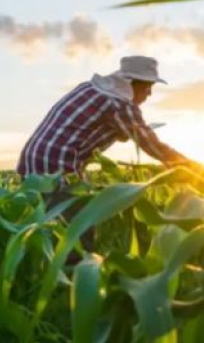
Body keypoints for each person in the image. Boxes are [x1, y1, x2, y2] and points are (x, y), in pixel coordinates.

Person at [16, 56, 193, 259]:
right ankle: (76, 279)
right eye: (147, 87)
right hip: (56, 165)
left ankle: (50, 271)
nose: (150, 94)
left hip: (33, 161)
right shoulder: (119, 103)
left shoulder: (91, 89)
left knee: (52, 225)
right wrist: (189, 167)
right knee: (78, 229)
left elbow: (87, 129)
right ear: (132, 84)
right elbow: (150, 144)